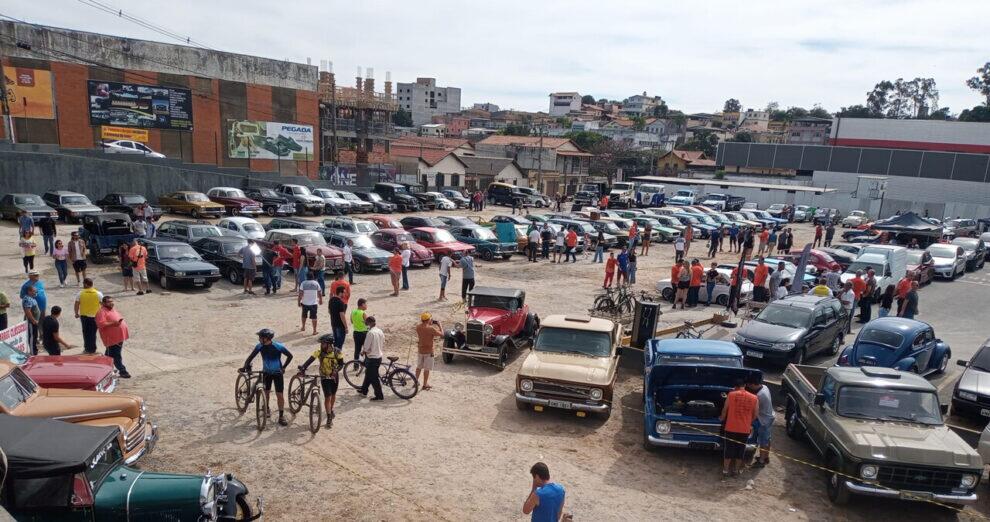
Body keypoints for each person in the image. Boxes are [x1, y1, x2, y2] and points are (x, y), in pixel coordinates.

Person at [243, 328, 292, 425]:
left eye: (260, 337)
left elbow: (290, 356)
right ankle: (267, 408)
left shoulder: (278, 346)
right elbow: (250, 357)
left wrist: (284, 367)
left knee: (280, 395)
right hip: (266, 373)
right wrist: (244, 367)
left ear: (266, 338)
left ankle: (281, 416)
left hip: (277, 373)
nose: (259, 339)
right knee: (266, 393)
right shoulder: (259, 346)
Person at [297, 333, 345, 428]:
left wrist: (335, 371)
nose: (321, 345)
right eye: (321, 343)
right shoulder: (319, 352)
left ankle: (331, 410)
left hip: (334, 377)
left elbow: (341, 364)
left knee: (333, 395)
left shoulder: (337, 352)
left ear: (329, 344)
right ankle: (329, 417)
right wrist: (303, 367)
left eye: (323, 343)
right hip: (324, 377)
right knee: (328, 397)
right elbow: (310, 360)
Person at [720, 379, 758, 477]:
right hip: (744, 429)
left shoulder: (731, 395)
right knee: (740, 450)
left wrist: (721, 418)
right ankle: (736, 471)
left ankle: (725, 470)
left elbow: (725, 409)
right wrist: (748, 422)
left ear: (735, 387)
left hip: (731, 427)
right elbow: (755, 414)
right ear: (744, 385)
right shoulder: (754, 397)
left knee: (729, 449)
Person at [95, 295, 131, 378]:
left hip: (118, 337)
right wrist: (113, 323)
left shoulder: (112, 309)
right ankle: (123, 371)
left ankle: (103, 370)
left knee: (109, 355)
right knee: (116, 355)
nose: (111, 303)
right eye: (109, 302)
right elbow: (100, 324)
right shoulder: (101, 312)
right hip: (111, 338)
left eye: (112, 301)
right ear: (103, 303)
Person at [746, 375, 774, 468]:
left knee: (763, 441)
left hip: (764, 420)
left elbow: (753, 410)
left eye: (749, 385)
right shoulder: (765, 387)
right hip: (770, 416)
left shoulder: (760, 396)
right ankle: (766, 457)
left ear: (753, 384)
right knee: (767, 439)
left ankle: (761, 461)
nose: (748, 387)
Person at [359, 315, 385, 401]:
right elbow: (383, 341)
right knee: (369, 374)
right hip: (379, 356)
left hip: (372, 358)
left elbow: (366, 346)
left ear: (369, 323)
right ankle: (364, 391)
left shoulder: (370, 333)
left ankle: (379, 396)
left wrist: (363, 352)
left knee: (373, 378)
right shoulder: (380, 331)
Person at [74, 278, 103, 354]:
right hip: (95, 316)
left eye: (83, 283)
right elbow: (103, 305)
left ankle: (87, 348)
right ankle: (92, 349)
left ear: (86, 284)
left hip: (84, 316)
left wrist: (76, 313)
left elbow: (76, 304)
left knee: (86, 332)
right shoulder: (98, 294)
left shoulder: (80, 293)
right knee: (93, 333)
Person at [415, 312, 443, 391]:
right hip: (429, 351)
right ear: (428, 320)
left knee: (419, 367)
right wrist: (439, 324)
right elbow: (442, 334)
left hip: (420, 350)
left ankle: (415, 381)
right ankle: (425, 384)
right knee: (427, 369)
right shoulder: (431, 329)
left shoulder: (418, 327)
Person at [22, 286, 41, 355]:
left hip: (34, 322)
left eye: (36, 291)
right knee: (32, 337)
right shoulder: (27, 299)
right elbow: (27, 311)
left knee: (34, 336)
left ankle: (34, 350)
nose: (36, 292)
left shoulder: (31, 298)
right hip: (31, 322)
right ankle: (33, 353)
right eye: (34, 291)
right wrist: (33, 320)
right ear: (29, 291)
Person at [329, 285, 348, 350]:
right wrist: (346, 327)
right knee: (339, 344)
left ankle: (334, 357)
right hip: (340, 325)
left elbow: (329, 311)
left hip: (333, 323)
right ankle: (338, 358)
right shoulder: (341, 302)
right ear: (340, 293)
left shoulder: (331, 300)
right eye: (344, 292)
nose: (345, 294)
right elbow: (342, 315)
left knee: (335, 342)